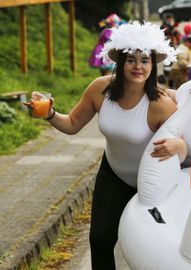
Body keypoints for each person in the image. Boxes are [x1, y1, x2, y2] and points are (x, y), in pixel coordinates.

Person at [26, 21, 177, 269]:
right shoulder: (100, 89)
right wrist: (50, 114)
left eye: (145, 60)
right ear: (120, 62)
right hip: (113, 174)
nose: (138, 66)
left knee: (153, 247)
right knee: (100, 239)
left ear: (153, 64)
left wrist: (178, 145)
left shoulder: (161, 104)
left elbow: (182, 144)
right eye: (131, 59)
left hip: (153, 181)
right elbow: (73, 123)